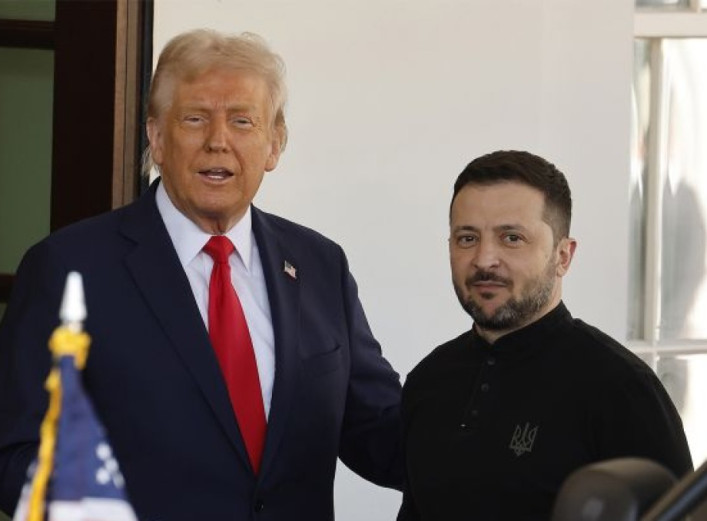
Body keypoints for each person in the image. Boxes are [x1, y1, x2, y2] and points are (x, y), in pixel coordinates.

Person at [0, 29, 402, 521]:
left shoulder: (320, 264)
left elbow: (379, 431)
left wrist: (486, 385)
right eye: (195, 118)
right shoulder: (68, 267)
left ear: (275, 144)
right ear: (157, 138)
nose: (218, 141)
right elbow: (17, 451)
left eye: (242, 121)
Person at [397, 150, 693, 521]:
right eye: (467, 238)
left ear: (563, 256)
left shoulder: (622, 389)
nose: (484, 259)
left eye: (512, 238)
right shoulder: (428, 380)